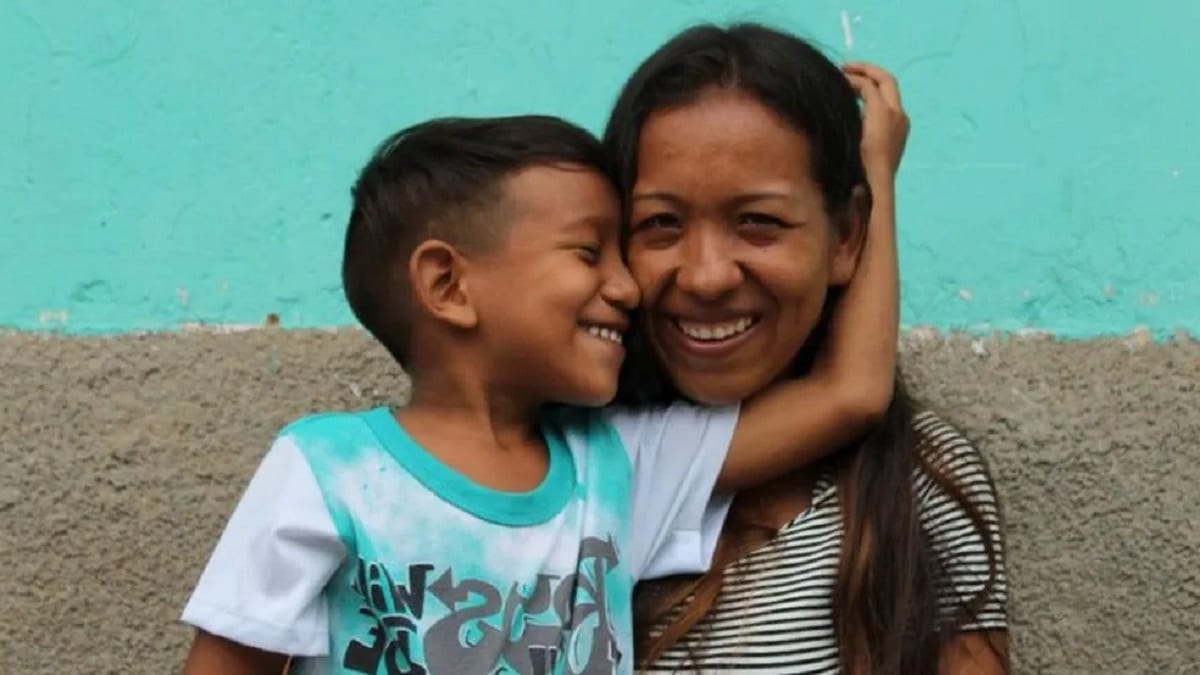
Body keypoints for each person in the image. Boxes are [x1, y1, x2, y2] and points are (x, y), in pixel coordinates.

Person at [178, 112, 900, 674]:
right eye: (589, 253)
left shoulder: (621, 466)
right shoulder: (324, 472)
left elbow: (853, 392)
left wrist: (874, 173)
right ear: (448, 285)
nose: (626, 286)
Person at [602, 23, 1008, 675]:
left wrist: (876, 176)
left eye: (758, 222)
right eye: (660, 224)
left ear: (847, 237)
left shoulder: (918, 477)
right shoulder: (576, 468)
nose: (707, 275)